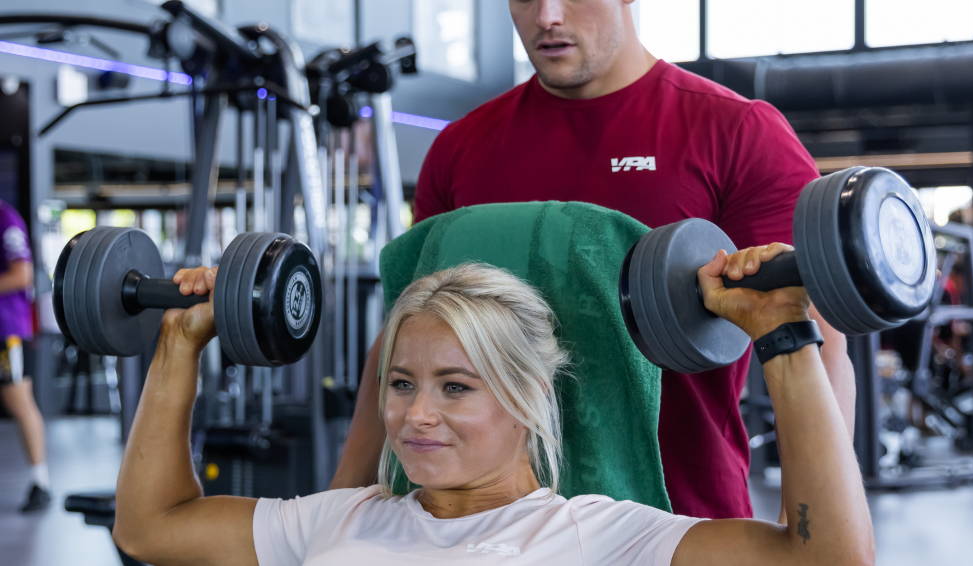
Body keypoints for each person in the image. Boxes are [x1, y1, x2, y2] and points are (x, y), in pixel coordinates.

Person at [331, 0, 857, 519]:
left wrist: (811, 526)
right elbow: (406, 337)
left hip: (680, 516)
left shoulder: (737, 132)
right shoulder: (460, 148)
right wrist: (338, 510)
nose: (547, 17)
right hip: (474, 525)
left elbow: (815, 335)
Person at [112, 254, 874, 565]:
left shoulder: (595, 537)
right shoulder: (341, 519)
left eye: (456, 386)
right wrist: (179, 341)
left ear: (528, 396)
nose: (416, 416)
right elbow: (151, 527)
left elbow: (826, 557)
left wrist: (782, 336)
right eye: (403, 384)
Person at [0, 198, 50, 512]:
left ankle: (40, 482)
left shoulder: (5, 218)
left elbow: (23, 274)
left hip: (7, 330)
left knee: (18, 400)